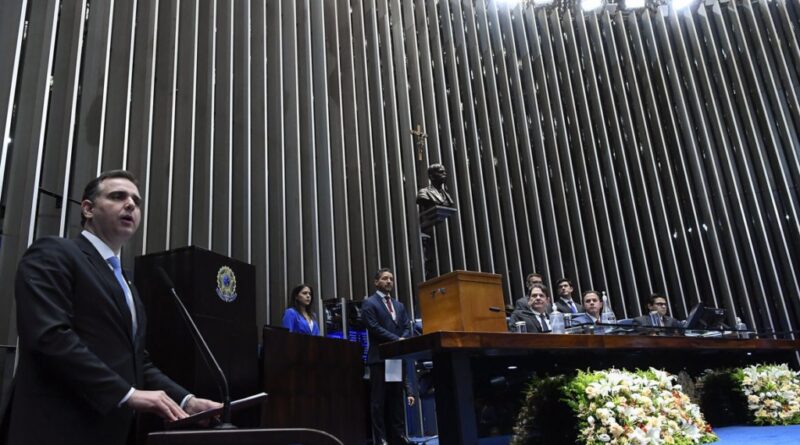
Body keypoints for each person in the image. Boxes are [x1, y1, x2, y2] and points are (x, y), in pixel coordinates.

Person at [6, 170, 220, 445]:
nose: (130, 204)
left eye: (136, 201)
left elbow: (135, 362)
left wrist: (186, 400)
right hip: (58, 428)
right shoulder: (54, 252)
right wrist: (128, 394)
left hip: (113, 432)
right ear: (88, 209)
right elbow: (50, 336)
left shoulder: (126, 282)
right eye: (118, 196)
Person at [361, 268, 416, 445]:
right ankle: (381, 439)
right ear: (376, 282)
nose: (389, 281)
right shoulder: (369, 303)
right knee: (378, 401)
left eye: (391, 278)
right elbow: (374, 327)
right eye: (385, 279)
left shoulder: (399, 305)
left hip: (395, 358)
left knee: (396, 399)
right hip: (379, 358)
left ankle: (398, 436)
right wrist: (397, 340)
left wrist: (403, 339)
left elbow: (407, 326)